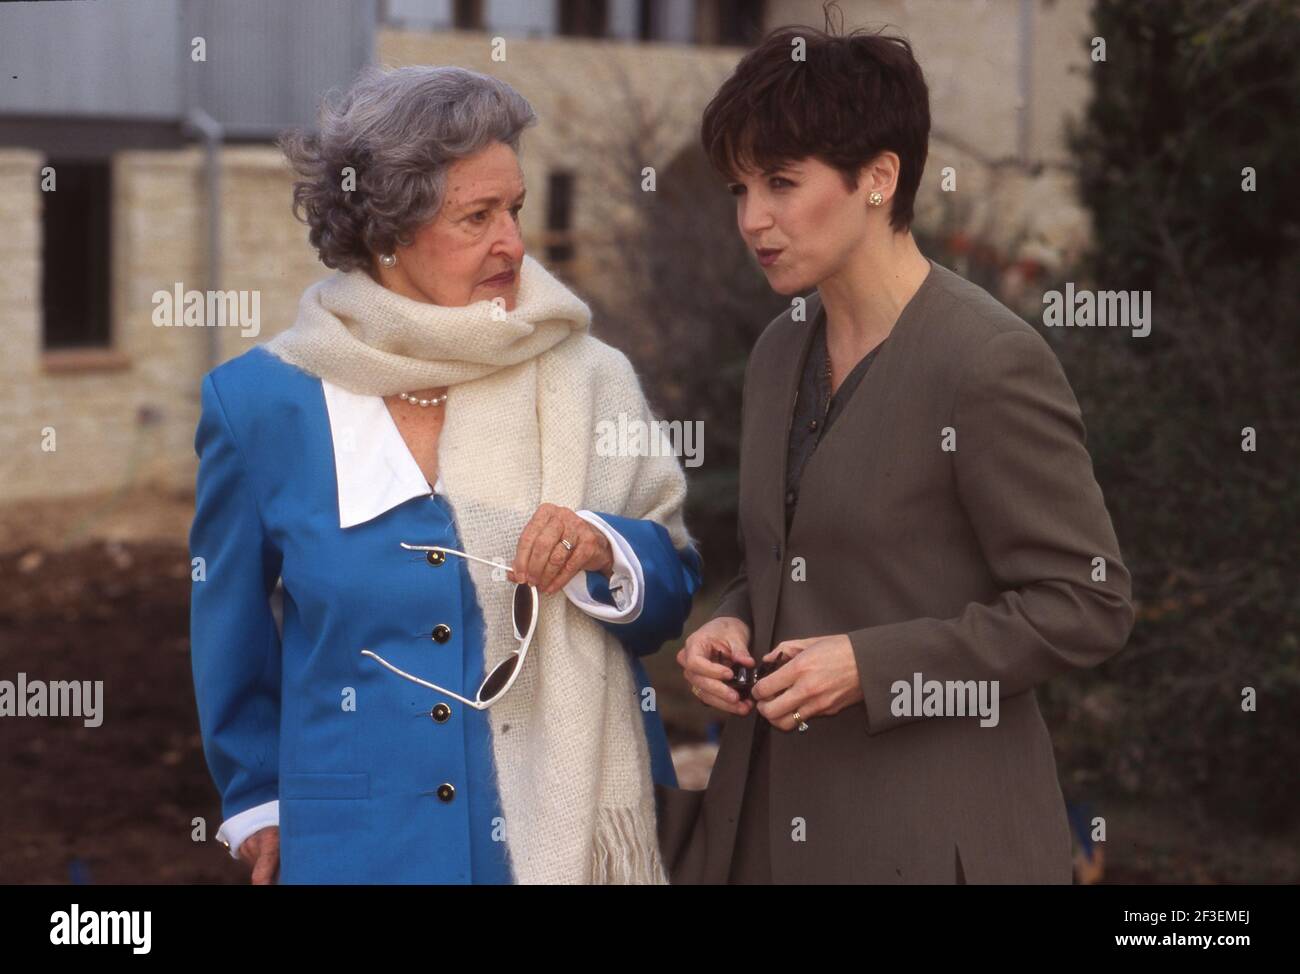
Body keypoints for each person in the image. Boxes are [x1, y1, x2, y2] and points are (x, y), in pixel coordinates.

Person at [189, 65, 701, 885]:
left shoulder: (589, 376)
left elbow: (670, 593)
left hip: (557, 848)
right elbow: (231, 627)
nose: (515, 243)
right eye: (478, 217)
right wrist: (257, 802)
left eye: (516, 209)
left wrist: (608, 547)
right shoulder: (259, 404)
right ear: (388, 234)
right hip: (355, 849)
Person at [664, 23, 1134, 884]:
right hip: (766, 829)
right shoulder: (778, 349)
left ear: (879, 179)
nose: (752, 219)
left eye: (780, 183)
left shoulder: (987, 361)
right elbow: (798, 552)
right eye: (739, 188)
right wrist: (730, 621)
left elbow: (1087, 603)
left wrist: (874, 665)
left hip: (932, 837)